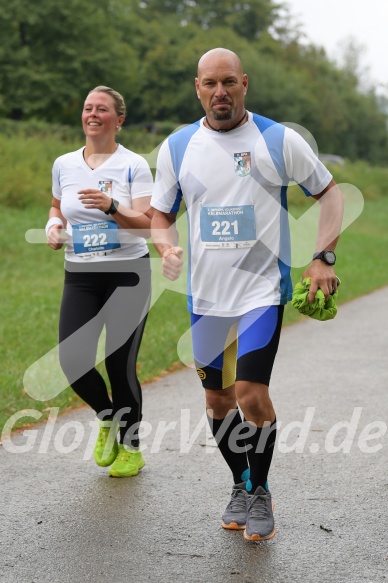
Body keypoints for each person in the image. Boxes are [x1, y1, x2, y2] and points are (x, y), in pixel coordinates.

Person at [150, 49, 343, 540]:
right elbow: (160, 214)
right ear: (197, 87)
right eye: (210, 83)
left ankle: (260, 493)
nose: (220, 92)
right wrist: (166, 246)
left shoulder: (278, 140)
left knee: (250, 393)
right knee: (217, 401)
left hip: (260, 291)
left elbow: (330, 193)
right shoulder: (176, 147)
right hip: (206, 297)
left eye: (229, 82)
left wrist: (324, 256)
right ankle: (241, 483)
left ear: (245, 84)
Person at [46, 86, 153, 477]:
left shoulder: (134, 165)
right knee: (72, 359)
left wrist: (112, 206)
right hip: (81, 275)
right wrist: (54, 226)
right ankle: (107, 417)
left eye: (102, 109)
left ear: (118, 119)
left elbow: (147, 225)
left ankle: (132, 447)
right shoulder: (64, 164)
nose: (92, 114)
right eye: (88, 107)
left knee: (118, 363)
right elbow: (58, 207)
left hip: (127, 274)